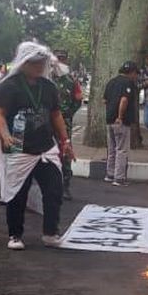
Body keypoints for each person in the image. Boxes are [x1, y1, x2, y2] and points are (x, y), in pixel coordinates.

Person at [0, 42, 75, 250]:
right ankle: (15, 235)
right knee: (17, 193)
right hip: (19, 147)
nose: (40, 67)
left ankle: (50, 232)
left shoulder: (48, 87)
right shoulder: (8, 86)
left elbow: (56, 115)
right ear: (24, 63)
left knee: (54, 190)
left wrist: (65, 141)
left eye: (43, 63)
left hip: (46, 147)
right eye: (36, 63)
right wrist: (5, 135)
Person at [103, 60, 139, 186]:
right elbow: (124, 100)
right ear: (132, 72)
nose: (136, 76)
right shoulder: (128, 83)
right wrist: (120, 116)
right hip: (121, 121)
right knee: (121, 149)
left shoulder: (111, 82)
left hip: (109, 120)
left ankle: (110, 174)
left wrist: (111, 114)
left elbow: (105, 100)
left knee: (112, 149)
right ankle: (119, 178)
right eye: (136, 74)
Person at [52, 49, 81, 196]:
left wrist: (69, 114)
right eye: (57, 59)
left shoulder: (71, 81)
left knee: (65, 150)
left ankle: (65, 185)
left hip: (65, 121)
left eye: (62, 59)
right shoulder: (46, 79)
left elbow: (78, 99)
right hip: (47, 122)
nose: (60, 62)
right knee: (48, 151)